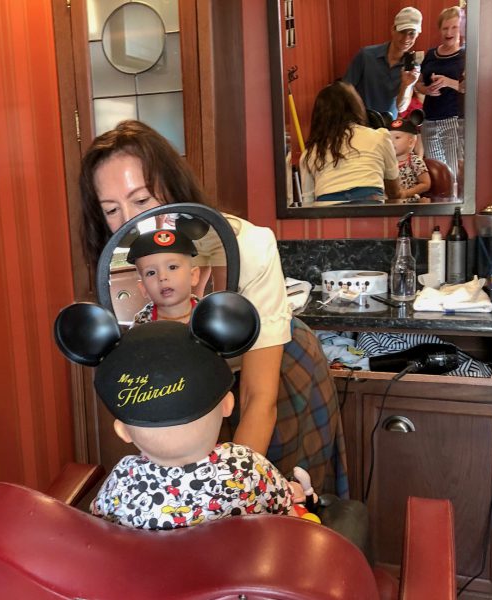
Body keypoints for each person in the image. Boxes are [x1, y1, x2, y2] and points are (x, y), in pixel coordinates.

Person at [79, 119, 348, 497]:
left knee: (277, 509)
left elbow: (259, 398)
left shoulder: (249, 246)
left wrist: (226, 493)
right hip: (185, 392)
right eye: (111, 209)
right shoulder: (120, 264)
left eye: (141, 201)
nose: (129, 222)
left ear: (172, 188)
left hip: (261, 380)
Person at [53, 296, 317, 529]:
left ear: (122, 431)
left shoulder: (122, 480)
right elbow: (286, 517)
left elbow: (102, 531)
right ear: (227, 404)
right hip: (234, 583)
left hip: (151, 583)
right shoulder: (247, 467)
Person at [299, 81, 400, 206]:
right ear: (356, 106)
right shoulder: (379, 137)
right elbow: (395, 192)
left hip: (328, 214)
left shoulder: (310, 152)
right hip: (370, 210)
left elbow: (307, 204)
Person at [414, 6, 465, 187]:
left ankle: (455, 208)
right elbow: (418, 83)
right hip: (429, 120)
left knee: (453, 172)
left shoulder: (466, 55)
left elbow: (471, 88)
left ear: (461, 29)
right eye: (445, 28)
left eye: (454, 27)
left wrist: (448, 82)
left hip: (453, 121)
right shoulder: (430, 54)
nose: (449, 32)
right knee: (436, 172)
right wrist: (426, 90)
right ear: (440, 29)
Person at [343, 6, 423, 118]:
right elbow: (345, 88)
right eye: (402, 31)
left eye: (411, 33)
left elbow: (401, 107)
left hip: (387, 128)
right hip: (360, 123)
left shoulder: (411, 68)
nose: (406, 39)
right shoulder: (366, 55)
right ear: (393, 30)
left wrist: (406, 85)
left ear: (417, 35)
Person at [126, 228, 200, 325]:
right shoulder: (141, 324)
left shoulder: (210, 313)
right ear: (143, 288)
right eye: (151, 273)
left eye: (172, 267)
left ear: (193, 276)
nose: (162, 277)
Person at [387, 112, 431, 202]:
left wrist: (406, 193)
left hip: (409, 202)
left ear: (410, 142)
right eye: (388, 138)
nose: (391, 142)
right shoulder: (386, 162)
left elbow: (426, 183)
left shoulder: (414, 161)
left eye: (397, 137)